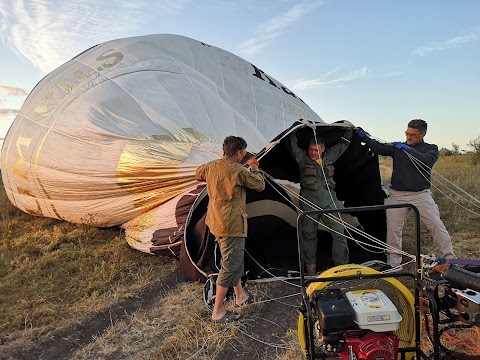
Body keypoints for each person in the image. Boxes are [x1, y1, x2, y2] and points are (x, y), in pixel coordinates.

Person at [356, 119, 455, 268]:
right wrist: (364, 138)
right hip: (397, 194)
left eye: (412, 135)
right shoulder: (397, 148)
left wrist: (408, 150)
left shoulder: (431, 149)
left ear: (422, 134)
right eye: (407, 133)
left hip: (420, 194)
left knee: (435, 224)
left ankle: (451, 260)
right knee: (393, 230)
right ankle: (394, 264)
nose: (408, 137)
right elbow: (380, 148)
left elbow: (427, 161)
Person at [195, 136, 265, 323]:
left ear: (223, 149)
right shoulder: (238, 170)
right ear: (239, 153)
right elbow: (259, 184)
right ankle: (217, 312)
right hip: (231, 224)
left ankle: (240, 296)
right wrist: (255, 166)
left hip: (215, 221)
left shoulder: (211, 166)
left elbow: (198, 173)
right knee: (230, 265)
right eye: (243, 152)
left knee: (233, 259)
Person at [289, 123, 353, 275]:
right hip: (309, 199)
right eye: (311, 149)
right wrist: (294, 129)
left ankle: (342, 267)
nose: (313, 153)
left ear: (323, 149)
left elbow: (345, 144)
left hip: (329, 198)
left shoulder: (330, 155)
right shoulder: (302, 158)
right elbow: (292, 144)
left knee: (339, 233)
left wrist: (349, 130)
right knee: (309, 234)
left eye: (316, 150)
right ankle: (310, 269)